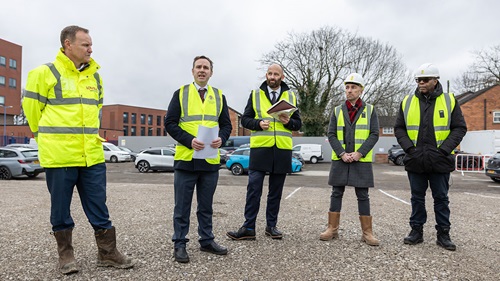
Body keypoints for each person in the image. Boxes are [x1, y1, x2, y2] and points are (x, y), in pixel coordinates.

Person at [22, 25, 135, 275]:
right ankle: (66, 256)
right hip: (60, 156)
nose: (90, 49)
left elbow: (97, 111)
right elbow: (32, 112)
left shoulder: (95, 76)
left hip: (91, 156)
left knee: (99, 206)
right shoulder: (44, 73)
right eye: (85, 44)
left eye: (91, 44)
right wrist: (45, 139)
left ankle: (107, 253)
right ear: (67, 44)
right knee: (60, 209)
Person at [165, 55, 232, 263]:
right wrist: (189, 140)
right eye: (198, 67)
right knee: (182, 206)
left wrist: (223, 138)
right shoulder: (181, 93)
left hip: (210, 161)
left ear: (211, 72)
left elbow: (227, 125)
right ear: (192, 71)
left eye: (206, 67)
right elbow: (170, 123)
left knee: (206, 206)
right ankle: (180, 243)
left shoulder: (219, 96)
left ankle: (206, 240)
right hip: (186, 159)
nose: (202, 70)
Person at [394, 63, 467, 251]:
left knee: (441, 199)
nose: (421, 83)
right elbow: (399, 128)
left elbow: (459, 128)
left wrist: (443, 150)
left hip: (440, 161)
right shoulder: (407, 101)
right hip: (416, 160)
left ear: (436, 81)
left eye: (425, 80)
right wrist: (410, 149)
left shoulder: (450, 100)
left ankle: (443, 234)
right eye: (418, 80)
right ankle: (416, 232)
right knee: (416, 198)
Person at [227, 64, 302, 241]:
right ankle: (248, 227)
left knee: (276, 191)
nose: (272, 76)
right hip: (260, 148)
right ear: (266, 75)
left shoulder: (291, 96)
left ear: (282, 77)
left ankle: (271, 226)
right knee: (254, 189)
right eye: (270, 73)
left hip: (282, 149)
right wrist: (258, 123)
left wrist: (288, 122)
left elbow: (298, 124)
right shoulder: (255, 95)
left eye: (276, 74)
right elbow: (244, 120)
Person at [320, 73, 380, 246]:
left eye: (353, 87)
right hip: (341, 159)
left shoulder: (370, 110)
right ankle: (332, 229)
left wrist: (360, 153)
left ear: (361, 90)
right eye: (347, 87)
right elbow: (331, 134)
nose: (349, 90)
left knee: (363, 195)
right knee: (336, 193)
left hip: (360, 159)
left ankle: (367, 233)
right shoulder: (337, 110)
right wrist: (341, 153)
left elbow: (374, 134)